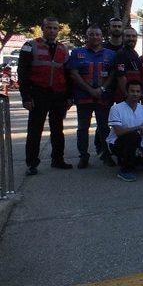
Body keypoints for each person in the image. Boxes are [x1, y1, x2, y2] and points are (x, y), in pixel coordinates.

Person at [19, 17, 73, 175]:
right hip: (38, 93)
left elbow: (68, 74)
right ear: (42, 28)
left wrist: (69, 96)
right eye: (49, 28)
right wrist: (26, 97)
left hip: (58, 95)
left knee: (58, 129)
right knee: (35, 130)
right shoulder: (30, 46)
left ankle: (58, 159)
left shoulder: (64, 49)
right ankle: (32, 164)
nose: (52, 31)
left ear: (58, 30)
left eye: (55, 28)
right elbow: (22, 72)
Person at [67, 24, 116, 169]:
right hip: (83, 97)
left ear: (102, 37)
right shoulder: (77, 52)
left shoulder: (110, 54)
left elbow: (113, 74)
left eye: (97, 34)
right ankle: (83, 157)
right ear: (86, 36)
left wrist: (102, 88)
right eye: (91, 34)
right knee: (83, 128)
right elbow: (74, 74)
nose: (95, 37)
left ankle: (106, 155)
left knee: (104, 128)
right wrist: (89, 89)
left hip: (103, 97)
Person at [106, 80, 143, 182]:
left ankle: (130, 159)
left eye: (138, 91)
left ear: (141, 93)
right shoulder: (116, 108)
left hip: (138, 142)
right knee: (133, 136)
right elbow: (119, 132)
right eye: (132, 91)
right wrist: (138, 127)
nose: (135, 94)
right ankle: (125, 170)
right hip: (118, 143)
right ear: (126, 92)